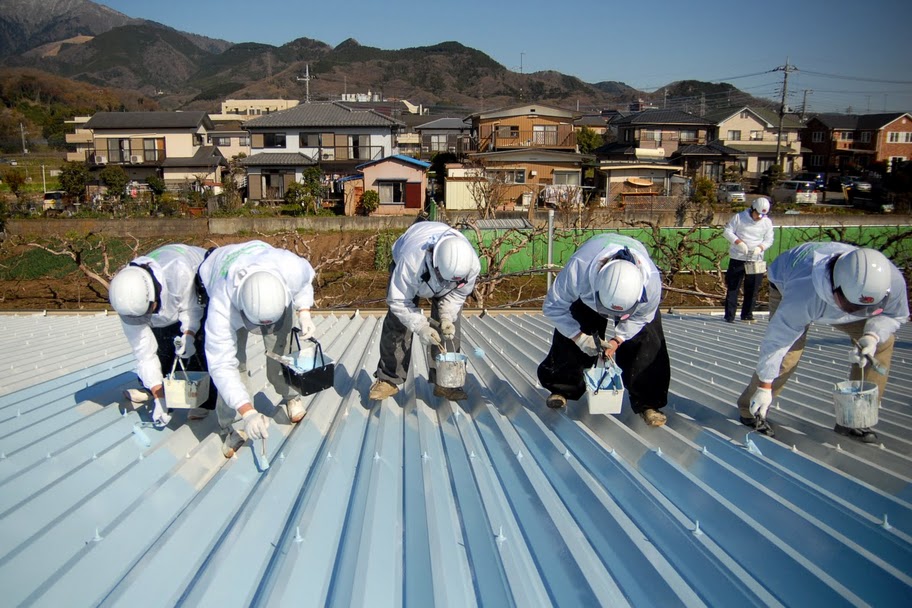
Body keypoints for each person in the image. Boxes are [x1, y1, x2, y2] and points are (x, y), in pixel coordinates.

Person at [737, 243, 909, 441]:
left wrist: (872, 335)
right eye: (850, 307)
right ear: (836, 288)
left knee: (880, 346)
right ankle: (752, 410)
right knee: (787, 357)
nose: (854, 314)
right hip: (787, 281)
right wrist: (764, 386)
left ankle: (854, 419)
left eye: (863, 308)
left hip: (836, 296)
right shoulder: (805, 291)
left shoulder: (892, 281)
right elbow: (778, 341)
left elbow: (895, 315)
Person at [199, 240, 318, 457]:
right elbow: (222, 366)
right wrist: (248, 412)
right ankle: (230, 424)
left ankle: (291, 396)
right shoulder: (221, 305)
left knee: (282, 350)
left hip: (266, 267)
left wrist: (304, 311)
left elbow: (304, 283)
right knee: (236, 365)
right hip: (222, 271)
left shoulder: (289, 267)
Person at [537, 234, 670, 426]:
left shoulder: (651, 285)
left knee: (647, 336)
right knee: (579, 317)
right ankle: (562, 386)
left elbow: (641, 317)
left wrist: (618, 340)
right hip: (588, 285)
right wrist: (579, 338)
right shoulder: (579, 270)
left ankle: (648, 402)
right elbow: (553, 307)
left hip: (633, 299)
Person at [368, 221, 481, 402]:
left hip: (445, 280)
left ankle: (445, 382)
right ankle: (388, 378)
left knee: (450, 328)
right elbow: (399, 301)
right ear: (433, 260)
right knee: (398, 322)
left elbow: (458, 295)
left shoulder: (471, 265)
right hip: (412, 273)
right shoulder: (411, 261)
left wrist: (446, 317)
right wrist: (421, 327)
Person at [109, 243, 214, 426]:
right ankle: (157, 390)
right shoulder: (127, 298)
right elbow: (144, 354)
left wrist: (188, 336)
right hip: (167, 301)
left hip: (200, 284)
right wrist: (160, 399)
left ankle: (203, 399)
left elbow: (191, 310)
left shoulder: (179, 273)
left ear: (154, 296)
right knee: (161, 345)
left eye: (150, 310)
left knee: (199, 344)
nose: (147, 317)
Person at [722, 197, 774, 322]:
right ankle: (729, 316)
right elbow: (727, 231)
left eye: (762, 215)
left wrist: (760, 248)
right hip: (738, 257)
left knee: (753, 288)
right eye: (758, 214)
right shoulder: (739, 217)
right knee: (733, 287)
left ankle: (747, 315)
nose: (759, 217)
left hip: (756, 259)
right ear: (752, 209)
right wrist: (738, 242)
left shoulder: (767, 222)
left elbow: (769, 239)